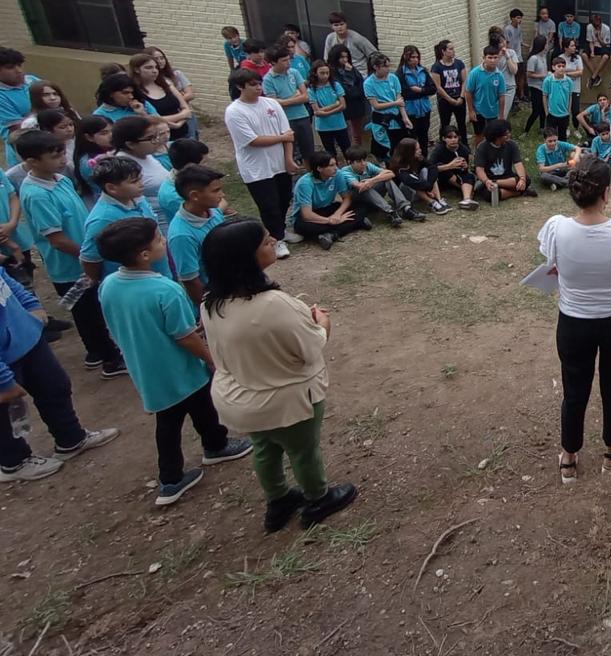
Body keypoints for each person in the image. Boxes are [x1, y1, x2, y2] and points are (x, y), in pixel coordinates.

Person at [200, 219, 356, 530]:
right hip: (285, 399)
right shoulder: (273, 304)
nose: (273, 241)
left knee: (264, 448)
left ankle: (278, 499)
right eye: (265, 242)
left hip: (241, 397)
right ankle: (318, 498)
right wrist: (321, 321)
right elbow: (312, 346)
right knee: (304, 451)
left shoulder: (210, 302)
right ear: (246, 257)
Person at [96, 218, 250, 505]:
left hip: (145, 367)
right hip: (179, 368)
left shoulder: (109, 285)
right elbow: (184, 337)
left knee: (170, 418)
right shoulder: (165, 290)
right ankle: (181, 471)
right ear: (144, 254)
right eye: (157, 239)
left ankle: (201, 454)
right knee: (197, 407)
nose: (164, 241)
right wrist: (210, 357)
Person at [537, 155, 611, 482]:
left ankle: (569, 458)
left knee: (574, 389)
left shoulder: (556, 227)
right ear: (607, 193)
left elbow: (552, 263)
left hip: (574, 323)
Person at [14, 131, 127, 376]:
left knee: (92, 309)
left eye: (62, 152)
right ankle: (108, 359)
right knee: (88, 313)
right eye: (54, 156)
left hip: (86, 257)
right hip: (71, 265)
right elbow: (56, 240)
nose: (63, 159)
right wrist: (90, 255)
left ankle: (98, 352)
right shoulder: (37, 194)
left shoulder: (59, 179)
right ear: (32, 161)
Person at [0, 265, 119, 482]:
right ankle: (14, 462)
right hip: (4, 357)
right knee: (5, 411)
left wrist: (32, 305)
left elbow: (6, 280)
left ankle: (71, 439)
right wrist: (4, 381)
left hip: (27, 337)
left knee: (55, 386)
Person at [224, 69, 297, 258]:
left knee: (283, 199)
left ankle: (280, 231)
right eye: (253, 85)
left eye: (259, 83)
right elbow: (253, 140)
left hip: (279, 163)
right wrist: (281, 137)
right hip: (256, 167)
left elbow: (288, 134)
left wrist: (288, 159)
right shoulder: (234, 111)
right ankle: (275, 240)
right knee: (268, 204)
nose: (258, 88)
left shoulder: (271, 104)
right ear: (240, 87)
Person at [79, 155, 172, 281]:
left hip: (160, 274)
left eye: (140, 179)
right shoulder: (103, 219)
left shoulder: (137, 198)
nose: (141, 184)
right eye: (134, 182)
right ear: (111, 188)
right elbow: (90, 259)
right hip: (135, 284)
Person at [166, 164, 227, 304]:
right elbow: (190, 281)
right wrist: (207, 308)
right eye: (216, 191)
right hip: (215, 298)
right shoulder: (182, 235)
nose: (222, 195)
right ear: (194, 196)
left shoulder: (214, 212)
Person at [292, 150, 376, 248]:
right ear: (319, 168)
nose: (335, 168)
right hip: (310, 215)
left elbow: (347, 198)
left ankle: (330, 234)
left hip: (328, 208)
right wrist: (330, 220)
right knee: (302, 227)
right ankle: (355, 224)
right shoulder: (305, 183)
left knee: (361, 206)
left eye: (335, 164)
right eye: (331, 165)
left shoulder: (338, 174)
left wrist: (337, 214)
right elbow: (307, 215)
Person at [338, 147, 424, 225]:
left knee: (387, 180)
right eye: (359, 161)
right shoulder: (345, 172)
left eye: (364, 160)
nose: (363, 163)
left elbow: (391, 174)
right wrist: (371, 182)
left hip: (372, 195)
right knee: (365, 187)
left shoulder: (367, 165)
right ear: (350, 162)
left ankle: (406, 208)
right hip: (358, 200)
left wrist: (372, 180)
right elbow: (359, 186)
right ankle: (390, 212)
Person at [261, 46, 313, 162]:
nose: (288, 63)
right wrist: (295, 97)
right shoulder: (268, 80)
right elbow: (274, 103)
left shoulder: (294, 73)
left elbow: (306, 96)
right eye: (284, 60)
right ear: (273, 62)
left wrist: (284, 101)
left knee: (309, 151)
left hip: (302, 115)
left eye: (288, 59)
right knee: (289, 150)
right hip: (285, 119)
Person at [474, 119, 536, 204]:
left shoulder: (512, 145)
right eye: (506, 134)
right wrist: (486, 181)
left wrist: (522, 179)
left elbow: (518, 164)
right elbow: (479, 169)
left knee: (526, 179)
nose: (509, 136)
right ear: (497, 136)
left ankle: (501, 187)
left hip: (507, 178)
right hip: (489, 179)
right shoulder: (482, 147)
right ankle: (519, 192)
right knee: (489, 194)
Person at [363, 53, 410, 161]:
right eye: (385, 66)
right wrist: (394, 103)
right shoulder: (368, 83)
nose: (388, 69)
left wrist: (405, 117)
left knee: (400, 148)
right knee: (384, 150)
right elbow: (376, 105)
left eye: (389, 66)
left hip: (396, 119)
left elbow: (400, 99)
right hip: (381, 119)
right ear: (376, 67)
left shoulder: (393, 78)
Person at [388, 138, 451, 216]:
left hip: (421, 188)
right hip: (406, 194)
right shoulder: (399, 166)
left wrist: (429, 185)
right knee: (409, 182)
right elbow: (412, 182)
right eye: (417, 149)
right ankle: (432, 202)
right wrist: (428, 187)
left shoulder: (418, 158)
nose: (420, 150)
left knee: (426, 170)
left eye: (419, 148)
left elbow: (432, 166)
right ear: (409, 152)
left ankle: (438, 199)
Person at [325, 45, 367, 149]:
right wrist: (349, 75)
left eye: (346, 57)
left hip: (357, 106)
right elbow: (345, 90)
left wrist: (351, 72)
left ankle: (358, 153)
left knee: (357, 134)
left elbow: (361, 85)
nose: (345, 60)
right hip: (345, 107)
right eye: (342, 57)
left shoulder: (352, 69)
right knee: (348, 134)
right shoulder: (332, 72)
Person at [428, 127, 480, 210]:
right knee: (442, 169)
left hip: (458, 176)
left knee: (469, 176)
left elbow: (465, 171)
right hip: (443, 178)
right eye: (449, 137)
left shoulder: (463, 149)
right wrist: (449, 165)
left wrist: (465, 166)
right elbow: (430, 168)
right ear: (443, 139)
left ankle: (466, 200)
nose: (453, 140)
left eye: (455, 137)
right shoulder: (439, 150)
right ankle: (468, 192)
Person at [428, 40, 468, 145]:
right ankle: (444, 145)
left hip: (459, 98)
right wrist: (450, 100)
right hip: (445, 101)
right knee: (445, 124)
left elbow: (464, 81)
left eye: (453, 48)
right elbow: (438, 87)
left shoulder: (459, 63)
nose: (453, 51)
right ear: (443, 51)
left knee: (462, 124)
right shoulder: (436, 67)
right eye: (450, 49)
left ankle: (464, 144)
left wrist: (461, 97)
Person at [308, 61, 350, 159]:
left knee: (346, 149)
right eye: (322, 73)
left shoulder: (335, 85)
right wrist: (335, 105)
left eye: (327, 73)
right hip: (323, 127)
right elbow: (317, 112)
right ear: (315, 73)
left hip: (339, 124)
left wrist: (326, 111)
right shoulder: (312, 89)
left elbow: (343, 105)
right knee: (330, 152)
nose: (325, 76)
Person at [396, 46, 434, 149]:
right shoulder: (400, 73)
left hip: (424, 108)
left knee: (424, 136)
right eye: (412, 57)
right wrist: (423, 91)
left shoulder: (423, 71)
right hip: (410, 110)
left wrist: (421, 90)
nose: (415, 60)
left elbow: (433, 89)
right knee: (411, 138)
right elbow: (405, 92)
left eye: (417, 57)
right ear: (406, 57)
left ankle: (424, 158)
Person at [93, 73, 159, 124]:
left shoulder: (143, 104)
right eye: (125, 93)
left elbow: (160, 124)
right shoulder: (100, 114)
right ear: (111, 94)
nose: (131, 97)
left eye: (132, 93)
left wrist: (143, 113)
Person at [543, 57, 574, 141]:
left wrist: (568, 111)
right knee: (550, 136)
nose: (561, 68)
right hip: (552, 113)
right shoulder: (548, 80)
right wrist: (547, 112)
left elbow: (570, 96)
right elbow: (545, 96)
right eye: (559, 66)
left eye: (563, 66)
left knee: (562, 136)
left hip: (564, 114)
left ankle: (561, 152)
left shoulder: (569, 81)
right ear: (553, 67)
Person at [523, 35, 549, 135]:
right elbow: (529, 74)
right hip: (535, 87)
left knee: (543, 109)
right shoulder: (533, 58)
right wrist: (543, 75)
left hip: (543, 87)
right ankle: (526, 130)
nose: (547, 45)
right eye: (546, 43)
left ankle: (542, 127)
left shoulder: (543, 56)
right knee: (536, 110)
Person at [560, 40, 585, 128]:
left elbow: (580, 72)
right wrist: (574, 71)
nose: (574, 47)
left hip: (575, 88)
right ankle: (566, 127)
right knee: (565, 109)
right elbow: (559, 72)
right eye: (572, 46)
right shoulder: (561, 58)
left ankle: (576, 128)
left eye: (574, 45)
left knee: (575, 110)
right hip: (564, 88)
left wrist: (567, 73)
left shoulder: (578, 58)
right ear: (566, 48)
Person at [504, 9, 528, 102]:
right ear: (512, 18)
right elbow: (507, 43)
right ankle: (514, 96)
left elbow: (520, 41)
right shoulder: (508, 29)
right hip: (512, 56)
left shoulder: (519, 28)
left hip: (519, 55)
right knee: (514, 76)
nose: (519, 20)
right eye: (518, 18)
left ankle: (521, 94)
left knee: (521, 75)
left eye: (521, 18)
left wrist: (527, 46)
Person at [584, 14, 611, 88]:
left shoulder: (606, 29)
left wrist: (598, 37)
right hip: (593, 45)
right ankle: (596, 76)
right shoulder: (589, 27)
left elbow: (605, 44)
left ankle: (592, 78)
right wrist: (592, 52)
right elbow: (590, 41)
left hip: (603, 45)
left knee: (605, 57)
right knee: (584, 55)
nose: (597, 28)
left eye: (598, 26)